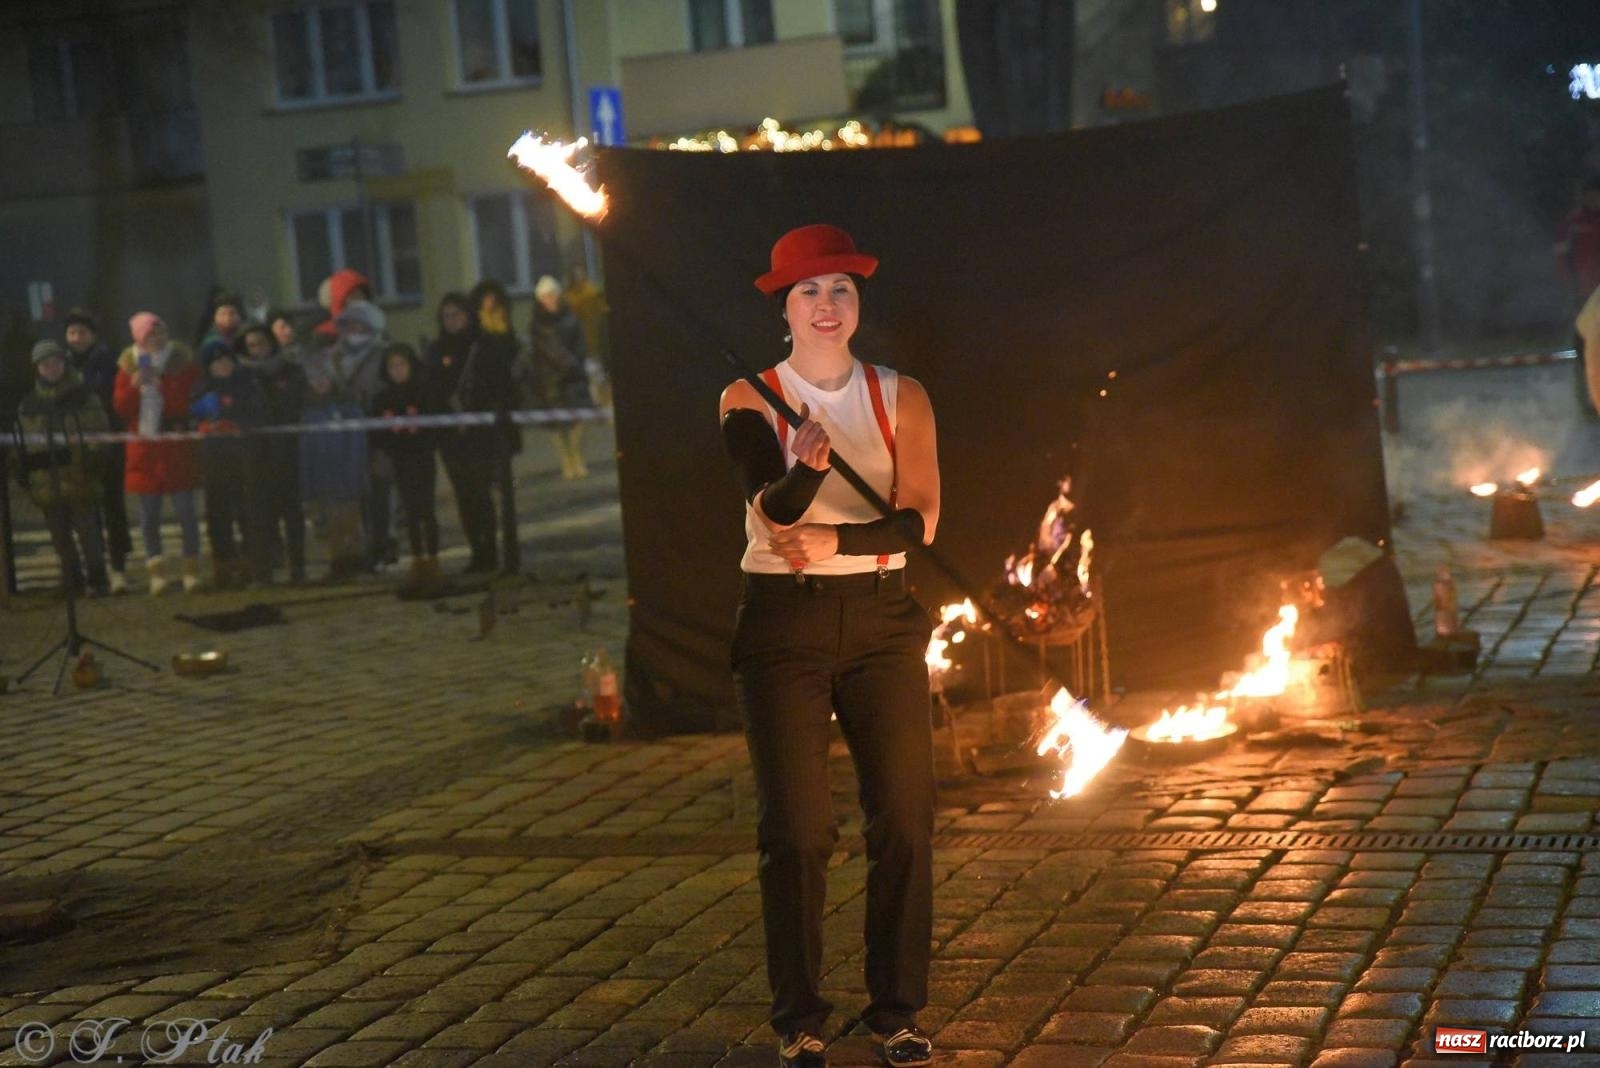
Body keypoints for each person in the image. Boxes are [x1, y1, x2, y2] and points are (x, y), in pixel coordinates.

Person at [717, 224, 941, 1068]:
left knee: (906, 818)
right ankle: (800, 1019)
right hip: (784, 629)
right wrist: (805, 470)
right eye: (808, 291)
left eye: (841, 289)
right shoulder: (748, 397)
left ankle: (898, 1012)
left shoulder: (901, 395)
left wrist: (842, 546)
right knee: (800, 830)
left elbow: (920, 519)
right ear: (784, 307)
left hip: (883, 622)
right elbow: (769, 509)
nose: (826, 304)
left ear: (858, 303)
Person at [113, 312, 203, 594]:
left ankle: (191, 569)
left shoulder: (182, 363)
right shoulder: (128, 367)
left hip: (175, 446)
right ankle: (157, 572)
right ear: (140, 337)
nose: (157, 338)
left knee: (186, 511)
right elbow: (120, 408)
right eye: (150, 334)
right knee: (148, 514)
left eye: (160, 332)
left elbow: (193, 400)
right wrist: (134, 387)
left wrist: (166, 387)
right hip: (145, 450)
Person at [13, 340, 110, 596]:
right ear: (38, 368)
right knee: (60, 538)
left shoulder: (84, 397)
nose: (51, 368)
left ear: (63, 364)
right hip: (47, 481)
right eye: (45, 364)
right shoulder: (29, 405)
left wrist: (93, 460)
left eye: (55, 362)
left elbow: (99, 431)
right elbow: (22, 442)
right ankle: (73, 582)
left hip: (80, 478)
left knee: (89, 535)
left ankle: (98, 580)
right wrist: (23, 470)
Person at [425, 292, 496, 573]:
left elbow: (495, 384)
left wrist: (474, 409)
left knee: (480, 492)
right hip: (451, 435)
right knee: (463, 495)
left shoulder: (483, 345)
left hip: (479, 433)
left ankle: (490, 550)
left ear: (468, 314)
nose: (452, 321)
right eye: (446, 316)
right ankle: (477, 552)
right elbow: (432, 386)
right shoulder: (437, 349)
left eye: (456, 314)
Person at [63, 308, 132, 592]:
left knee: (113, 506)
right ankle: (94, 569)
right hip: (76, 450)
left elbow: (115, 401)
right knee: (84, 510)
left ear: (93, 335)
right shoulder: (62, 364)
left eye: (82, 332)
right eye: (71, 333)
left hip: (107, 445)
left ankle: (118, 567)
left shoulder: (108, 362)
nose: (77, 338)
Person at [191, 339, 269, 588]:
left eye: (226, 360)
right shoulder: (201, 389)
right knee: (218, 513)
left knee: (249, 511)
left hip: (244, 457)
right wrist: (201, 423)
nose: (223, 366)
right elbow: (189, 418)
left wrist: (233, 421)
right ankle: (223, 565)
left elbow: (258, 413)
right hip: (214, 458)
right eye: (216, 362)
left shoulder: (247, 384)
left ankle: (253, 564)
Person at [459, 279, 523, 575]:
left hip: (501, 417)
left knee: (503, 487)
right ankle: (492, 552)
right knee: (481, 489)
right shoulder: (476, 338)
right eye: (484, 299)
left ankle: (508, 554)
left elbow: (511, 374)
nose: (489, 303)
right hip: (480, 424)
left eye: (492, 298)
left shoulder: (506, 332)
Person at [370, 343, 443, 593]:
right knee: (410, 512)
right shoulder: (383, 398)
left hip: (422, 457)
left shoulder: (425, 392)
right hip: (400, 459)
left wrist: (420, 433)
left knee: (427, 509)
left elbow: (436, 425)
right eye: (392, 366)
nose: (397, 370)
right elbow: (376, 432)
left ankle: (434, 559)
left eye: (402, 365)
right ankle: (417, 561)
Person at [238, 324, 308, 582]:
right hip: (255, 453)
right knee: (259, 513)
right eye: (251, 345)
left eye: (261, 343)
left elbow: (295, 403)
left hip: (285, 449)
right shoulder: (242, 376)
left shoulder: (290, 371)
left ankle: (298, 566)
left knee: (292, 511)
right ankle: (263, 568)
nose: (257, 350)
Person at [331, 299, 395, 569]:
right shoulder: (334, 355)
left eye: (359, 323)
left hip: (376, 433)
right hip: (345, 438)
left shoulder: (384, 354)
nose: (353, 329)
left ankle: (383, 547)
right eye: (349, 323)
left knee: (380, 493)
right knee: (353, 495)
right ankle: (359, 549)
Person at [299, 352, 368, 582]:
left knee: (348, 520)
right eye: (314, 379)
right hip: (322, 478)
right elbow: (305, 451)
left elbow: (357, 445)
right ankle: (337, 562)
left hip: (346, 476)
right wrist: (307, 486)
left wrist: (356, 475)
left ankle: (354, 560)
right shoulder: (307, 413)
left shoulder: (348, 408)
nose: (319, 383)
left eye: (323, 378)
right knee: (329, 525)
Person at [529, 274, 595, 481]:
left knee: (580, 419)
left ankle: (577, 456)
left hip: (573, 377)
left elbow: (580, 345)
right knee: (558, 426)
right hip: (550, 380)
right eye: (545, 296)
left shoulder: (571, 318)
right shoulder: (537, 323)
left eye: (552, 294)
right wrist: (570, 365)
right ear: (540, 299)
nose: (550, 299)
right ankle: (567, 461)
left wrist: (577, 363)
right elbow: (546, 350)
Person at [565, 264, 611, 407]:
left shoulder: (590, 294)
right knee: (589, 375)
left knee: (595, 375)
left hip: (591, 341)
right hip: (579, 342)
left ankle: (597, 402)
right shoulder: (570, 297)